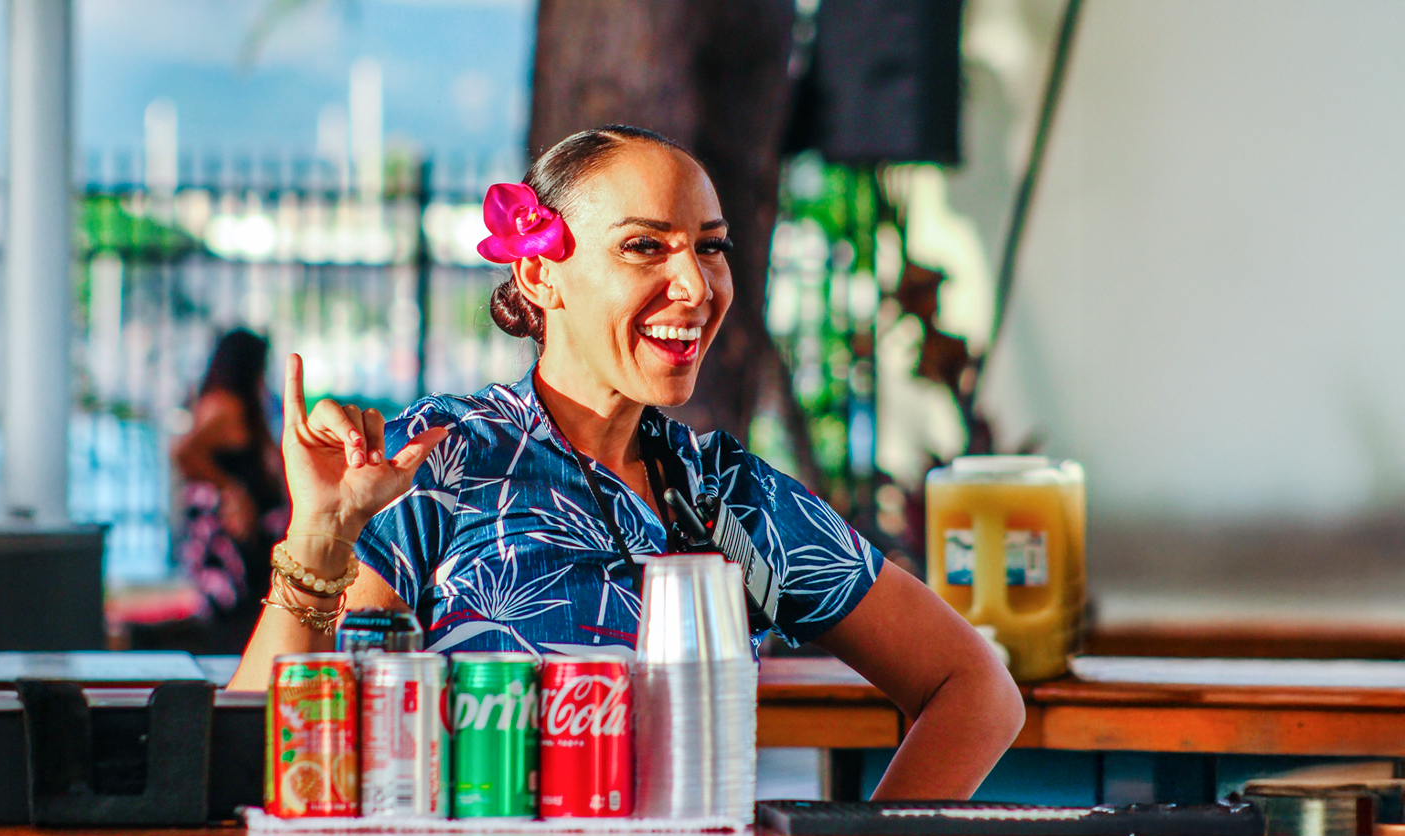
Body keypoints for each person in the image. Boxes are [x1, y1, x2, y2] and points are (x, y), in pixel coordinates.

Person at [231, 126, 1022, 799]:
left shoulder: (730, 499)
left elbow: (976, 688)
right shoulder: (435, 461)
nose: (696, 284)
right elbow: (260, 758)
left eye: (711, 249)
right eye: (645, 246)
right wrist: (321, 534)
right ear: (540, 274)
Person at [172, 328, 289, 652]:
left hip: (244, 544)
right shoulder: (226, 406)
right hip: (233, 551)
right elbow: (183, 451)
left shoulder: (242, 404)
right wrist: (231, 490)